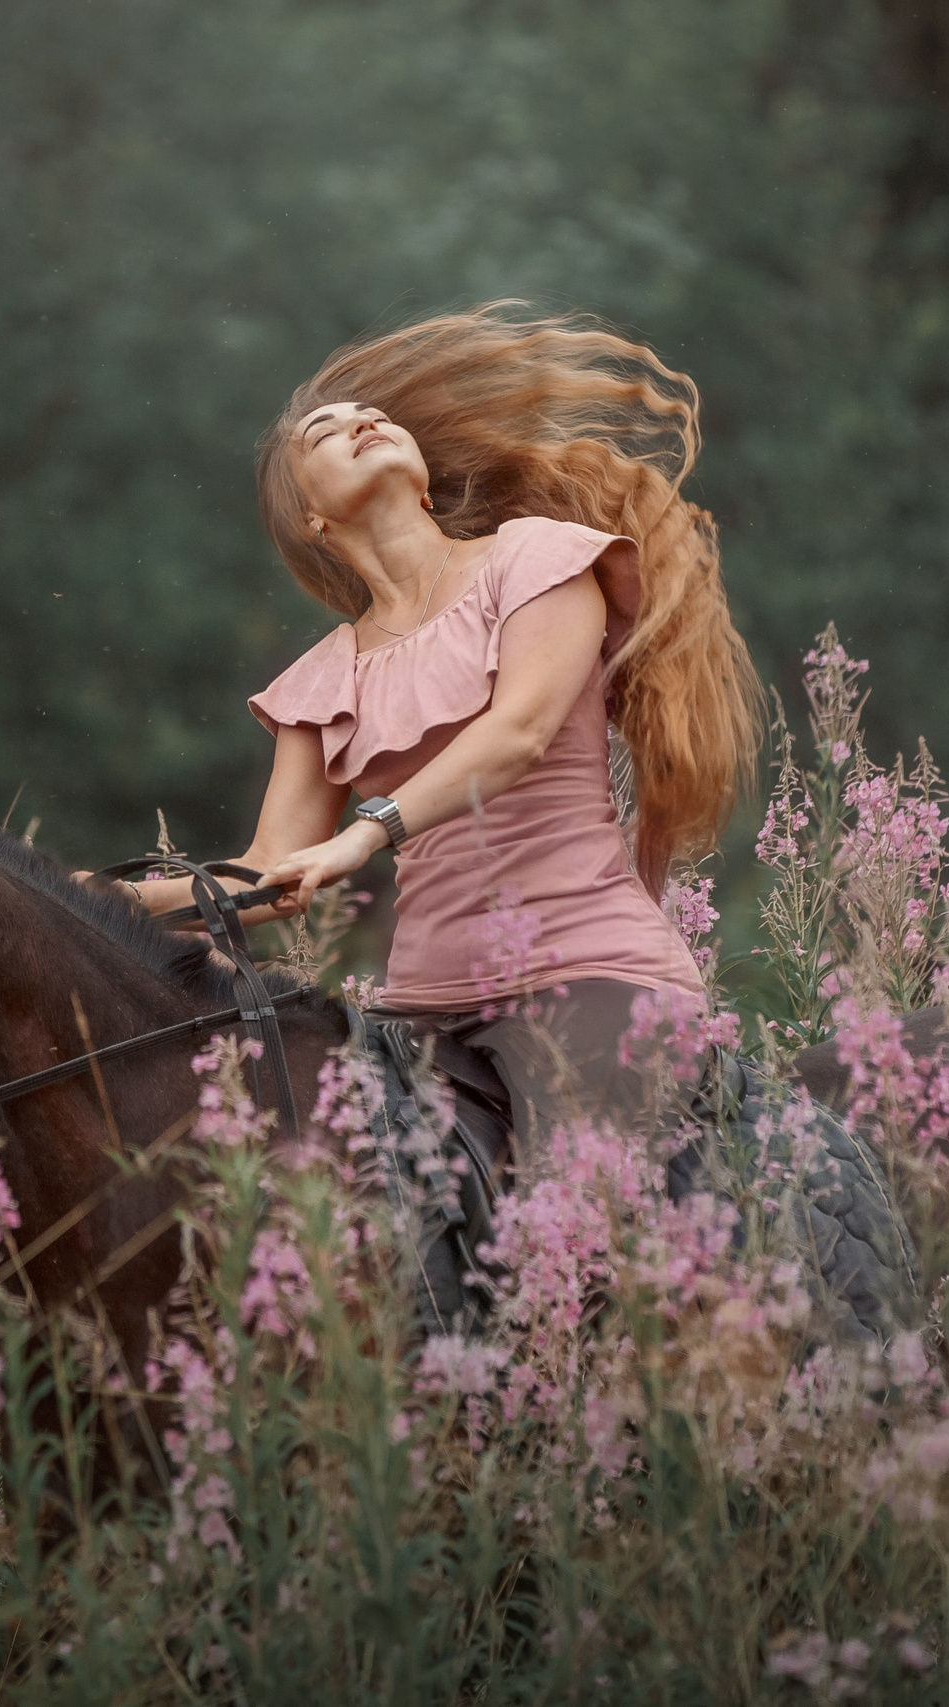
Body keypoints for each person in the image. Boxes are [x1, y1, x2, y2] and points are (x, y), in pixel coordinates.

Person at [110, 304, 762, 1149]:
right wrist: (114, 901)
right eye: (325, 432)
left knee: (578, 1247)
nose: (362, 419)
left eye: (371, 414)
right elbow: (269, 871)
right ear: (312, 519)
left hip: (592, 979)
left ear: (421, 476)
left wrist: (365, 834)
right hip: (423, 1012)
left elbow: (519, 729)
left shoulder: (536, 559)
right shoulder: (323, 676)